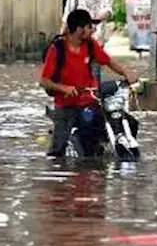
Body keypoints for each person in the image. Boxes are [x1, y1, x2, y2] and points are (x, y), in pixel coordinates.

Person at [38, 9, 139, 158]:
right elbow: (44, 81)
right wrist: (63, 88)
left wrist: (127, 73)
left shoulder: (90, 45)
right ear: (79, 29)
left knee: (130, 123)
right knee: (57, 151)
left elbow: (109, 61)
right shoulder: (57, 49)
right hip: (66, 105)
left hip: (90, 101)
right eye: (89, 27)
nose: (93, 30)